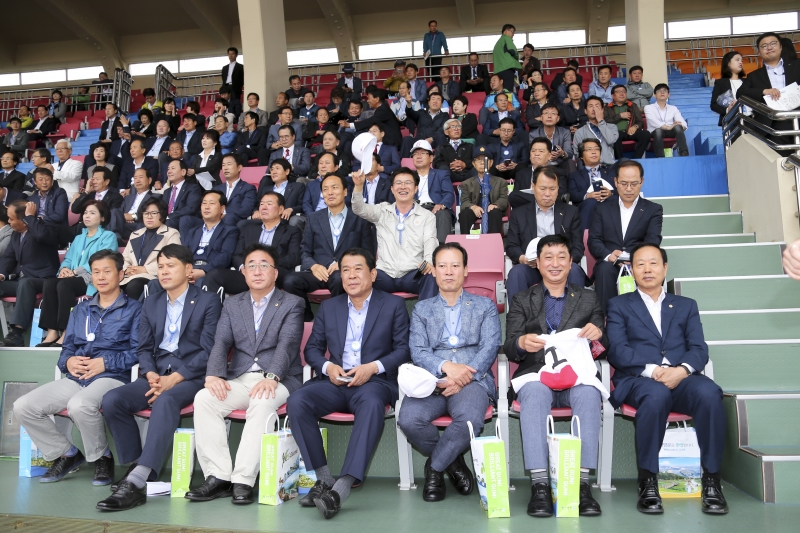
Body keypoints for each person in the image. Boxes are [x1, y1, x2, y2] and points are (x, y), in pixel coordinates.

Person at [286, 247, 411, 519]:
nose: (351, 275)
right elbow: (313, 350)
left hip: (374, 382)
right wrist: (328, 366)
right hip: (335, 381)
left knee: (371, 403)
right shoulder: (329, 306)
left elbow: (403, 350)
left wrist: (372, 367)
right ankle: (323, 479)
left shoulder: (393, 305)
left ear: (373, 274)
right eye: (345, 270)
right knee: (298, 400)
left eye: (358, 269)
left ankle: (341, 488)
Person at [97, 245, 222, 511]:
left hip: (191, 376)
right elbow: (143, 347)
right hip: (156, 373)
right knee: (113, 400)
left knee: (166, 402)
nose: (164, 271)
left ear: (189, 270)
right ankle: (138, 466)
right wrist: (152, 373)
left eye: (171, 265)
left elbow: (209, 350)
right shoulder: (151, 301)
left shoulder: (208, 301)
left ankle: (136, 483)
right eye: (161, 266)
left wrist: (173, 379)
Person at [607, 243, 729, 515]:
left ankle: (712, 480)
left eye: (653, 263)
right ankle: (648, 480)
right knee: (656, 395)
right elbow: (617, 349)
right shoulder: (618, 305)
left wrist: (682, 370)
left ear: (665, 268)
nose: (647, 269)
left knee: (709, 394)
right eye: (640, 264)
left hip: (682, 377)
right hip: (639, 378)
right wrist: (653, 371)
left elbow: (699, 348)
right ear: (632, 270)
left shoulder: (686, 305)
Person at [187, 242, 304, 504]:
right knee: (204, 399)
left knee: (262, 403)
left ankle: (243, 480)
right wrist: (214, 374)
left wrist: (272, 377)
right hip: (240, 377)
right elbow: (221, 342)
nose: (258, 270)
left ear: (276, 273)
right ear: (243, 272)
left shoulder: (292, 303)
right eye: (251, 265)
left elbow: (288, 344)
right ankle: (218, 476)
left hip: (281, 378)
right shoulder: (232, 304)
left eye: (265, 265)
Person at [13, 250, 141, 486]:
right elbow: (67, 349)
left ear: (121, 274)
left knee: (80, 404)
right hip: (78, 376)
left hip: (112, 376)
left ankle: (102, 456)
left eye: (107, 271)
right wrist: (68, 362)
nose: (101, 277)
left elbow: (138, 352)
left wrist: (105, 363)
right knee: (23, 406)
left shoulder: (134, 310)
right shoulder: (81, 310)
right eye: (96, 272)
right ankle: (67, 454)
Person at [504, 233, 605, 517]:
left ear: (571, 262)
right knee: (534, 394)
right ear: (537, 263)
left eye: (562, 257)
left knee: (589, 393)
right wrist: (522, 343)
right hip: (536, 372)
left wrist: (597, 334)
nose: (555, 263)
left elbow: (600, 339)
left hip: (577, 373)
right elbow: (510, 345)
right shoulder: (523, 299)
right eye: (548, 257)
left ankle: (581, 486)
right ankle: (539, 485)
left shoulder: (588, 297)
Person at [399, 242, 499, 502]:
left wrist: (464, 376)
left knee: (469, 420)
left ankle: (434, 469)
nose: (449, 271)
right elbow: (418, 350)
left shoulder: (484, 305)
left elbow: (489, 347)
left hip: (472, 381)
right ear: (434, 271)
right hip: (432, 379)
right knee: (409, 419)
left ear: (466, 270)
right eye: (442, 266)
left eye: (455, 265)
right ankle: (453, 463)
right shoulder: (422, 308)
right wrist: (445, 368)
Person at [284, 173, 374, 321]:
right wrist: (313, 266)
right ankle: (307, 320)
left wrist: (344, 265)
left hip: (344, 272)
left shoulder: (359, 218)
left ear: (345, 191)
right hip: (318, 271)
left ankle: (339, 319)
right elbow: (305, 249)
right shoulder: (313, 218)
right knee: (289, 281)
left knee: (339, 279)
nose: (330, 192)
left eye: (334, 187)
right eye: (325, 189)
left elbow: (368, 252)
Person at [37, 201, 118, 347]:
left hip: (92, 277)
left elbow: (102, 260)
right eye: (86, 212)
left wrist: (74, 271)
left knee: (64, 285)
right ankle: (52, 332)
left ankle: (67, 332)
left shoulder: (108, 236)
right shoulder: (79, 238)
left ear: (102, 218)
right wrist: (64, 270)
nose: (87, 216)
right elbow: (67, 259)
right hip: (72, 277)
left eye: (92, 213)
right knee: (49, 283)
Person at [351, 167, 438, 300]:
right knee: (363, 276)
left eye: (408, 183)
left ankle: (423, 318)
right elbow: (359, 209)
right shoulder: (382, 211)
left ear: (415, 189)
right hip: (384, 274)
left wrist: (428, 262)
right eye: (398, 183)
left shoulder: (427, 216)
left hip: (412, 273)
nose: (403, 187)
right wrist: (358, 186)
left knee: (431, 276)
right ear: (392, 189)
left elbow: (430, 240)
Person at [588, 160, 663, 312]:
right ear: (615, 182)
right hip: (609, 263)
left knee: (644, 269)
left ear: (642, 181)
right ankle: (605, 322)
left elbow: (653, 240)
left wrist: (635, 258)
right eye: (623, 183)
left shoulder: (653, 209)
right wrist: (609, 255)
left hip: (638, 263)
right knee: (604, 270)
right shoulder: (602, 208)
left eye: (634, 184)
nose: (629, 189)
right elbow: (594, 239)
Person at [505, 167, 585, 302]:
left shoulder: (571, 212)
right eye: (543, 188)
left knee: (575, 270)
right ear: (533, 186)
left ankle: (575, 319)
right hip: (532, 267)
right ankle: (518, 321)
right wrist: (523, 259)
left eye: (552, 189)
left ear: (558, 189)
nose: (547, 193)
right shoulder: (519, 213)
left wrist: (563, 260)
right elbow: (512, 246)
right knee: (516, 273)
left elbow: (577, 247)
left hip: (561, 266)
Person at [203, 192, 302, 295]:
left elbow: (293, 258)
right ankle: (212, 311)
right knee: (214, 275)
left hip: (274, 272)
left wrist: (265, 265)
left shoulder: (292, 231)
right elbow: (237, 255)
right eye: (262, 204)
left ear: (281, 209)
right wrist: (243, 267)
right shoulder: (248, 229)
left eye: (269, 204)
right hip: (248, 273)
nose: (264, 207)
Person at [0, 200, 60, 347]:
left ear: (24, 219)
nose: (8, 222)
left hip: (43, 280)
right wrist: (1, 274)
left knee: (25, 283)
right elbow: (8, 258)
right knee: (22, 283)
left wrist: (31, 217)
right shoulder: (15, 235)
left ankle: (17, 333)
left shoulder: (44, 228)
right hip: (22, 281)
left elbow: (42, 236)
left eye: (11, 219)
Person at [739, 32, 800, 136]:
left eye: (773, 44)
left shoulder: (797, 66)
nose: (769, 48)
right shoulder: (754, 76)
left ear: (781, 47)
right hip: (771, 125)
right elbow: (740, 93)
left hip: (797, 117)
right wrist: (764, 91)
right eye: (764, 46)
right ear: (759, 52)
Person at [121, 197, 180, 300]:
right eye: (146, 213)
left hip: (153, 277)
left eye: (153, 213)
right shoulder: (135, 234)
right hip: (130, 276)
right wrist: (127, 269)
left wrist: (145, 269)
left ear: (161, 214)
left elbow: (172, 260)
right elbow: (125, 258)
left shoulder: (171, 233)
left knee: (134, 286)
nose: (149, 217)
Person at [181, 190, 239, 288]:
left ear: (222, 209)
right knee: (157, 283)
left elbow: (225, 257)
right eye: (204, 203)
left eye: (212, 203)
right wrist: (187, 271)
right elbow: (183, 254)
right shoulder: (193, 231)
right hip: (191, 270)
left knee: (202, 281)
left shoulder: (230, 231)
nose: (207, 207)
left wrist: (204, 271)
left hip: (210, 272)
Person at [409, 140, 455, 244]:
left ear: (431, 157)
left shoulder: (441, 174)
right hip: (416, 209)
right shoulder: (408, 176)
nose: (418, 156)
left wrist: (441, 204)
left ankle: (441, 250)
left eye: (422, 153)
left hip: (435, 208)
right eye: (415, 154)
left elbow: (449, 194)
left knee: (443, 214)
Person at [568, 139, 617, 230]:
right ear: (581, 156)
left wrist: (611, 193)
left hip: (608, 205)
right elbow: (572, 194)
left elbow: (620, 190)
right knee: (591, 202)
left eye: (597, 149)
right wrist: (587, 196)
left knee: (614, 199)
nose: (594, 152)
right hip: (586, 207)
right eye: (589, 149)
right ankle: (583, 238)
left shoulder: (611, 173)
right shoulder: (574, 176)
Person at [458, 147, 508, 235]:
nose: (482, 162)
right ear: (473, 163)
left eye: (485, 160)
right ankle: (466, 244)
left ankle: (493, 243)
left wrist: (495, 205)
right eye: (478, 160)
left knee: (495, 212)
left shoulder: (501, 182)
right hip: (475, 210)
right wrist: (473, 207)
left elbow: (504, 200)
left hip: (492, 211)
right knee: (465, 213)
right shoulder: (466, 183)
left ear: (491, 162)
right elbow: (464, 202)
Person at [508, 138, 565, 208]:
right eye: (533, 151)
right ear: (530, 155)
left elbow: (561, 194)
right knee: (513, 196)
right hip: (527, 211)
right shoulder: (521, 174)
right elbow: (516, 197)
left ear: (549, 156)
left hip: (550, 208)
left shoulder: (558, 172)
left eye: (541, 151)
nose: (536, 154)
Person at [256, 159, 306, 228]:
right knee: (243, 223)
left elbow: (303, 205)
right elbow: (257, 204)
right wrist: (256, 211)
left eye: (277, 168)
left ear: (287, 171)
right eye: (272, 169)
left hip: (286, 219)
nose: (274, 172)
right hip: (267, 218)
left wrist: (291, 209)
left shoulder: (298, 187)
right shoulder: (266, 189)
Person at [644, 84, 689, 157]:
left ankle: (684, 153)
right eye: (659, 91)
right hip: (654, 131)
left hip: (670, 131)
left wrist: (680, 125)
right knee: (658, 130)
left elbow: (683, 122)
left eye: (665, 90)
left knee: (678, 127)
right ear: (655, 95)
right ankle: (660, 156)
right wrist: (668, 127)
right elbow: (653, 121)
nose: (662, 92)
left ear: (668, 95)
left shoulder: (673, 108)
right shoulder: (648, 107)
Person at [211, 153, 256, 227]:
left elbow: (245, 210)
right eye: (223, 165)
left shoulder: (248, 188)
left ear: (239, 167)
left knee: (229, 218)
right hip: (216, 220)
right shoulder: (216, 189)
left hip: (234, 222)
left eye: (229, 164)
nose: (225, 168)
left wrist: (225, 215)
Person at [605, 86, 649, 159]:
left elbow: (640, 121)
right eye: (618, 91)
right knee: (615, 136)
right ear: (612, 95)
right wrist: (619, 116)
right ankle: (620, 161)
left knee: (646, 134)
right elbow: (606, 121)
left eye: (624, 92)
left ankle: (636, 159)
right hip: (616, 132)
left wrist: (635, 127)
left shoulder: (632, 105)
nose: (622, 93)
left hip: (630, 131)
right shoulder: (607, 107)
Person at [573, 96, 619, 166]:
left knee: (625, 162)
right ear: (585, 111)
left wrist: (600, 121)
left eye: (597, 106)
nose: (594, 109)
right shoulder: (580, 132)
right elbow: (578, 153)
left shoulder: (612, 127)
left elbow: (611, 140)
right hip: (590, 167)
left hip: (609, 166)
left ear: (602, 110)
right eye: (591, 106)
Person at [162, 159, 203, 232]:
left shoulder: (193, 188)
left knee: (168, 223)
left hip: (183, 221)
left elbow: (190, 208)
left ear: (183, 172)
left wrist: (169, 216)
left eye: (173, 168)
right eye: (168, 169)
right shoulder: (166, 192)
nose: (169, 171)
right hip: (167, 220)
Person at [528, 104, 573, 169]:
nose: (549, 116)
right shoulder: (534, 134)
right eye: (546, 113)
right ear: (541, 117)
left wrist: (562, 153)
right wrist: (547, 156)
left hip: (559, 165)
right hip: (541, 165)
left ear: (558, 118)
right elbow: (533, 154)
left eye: (553, 113)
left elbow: (569, 153)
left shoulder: (565, 132)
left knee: (570, 162)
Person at [710, 51, 746, 127]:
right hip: (731, 121)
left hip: (750, 120)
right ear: (728, 63)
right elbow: (713, 105)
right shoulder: (720, 83)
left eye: (741, 60)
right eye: (737, 60)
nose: (740, 62)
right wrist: (727, 110)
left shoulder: (747, 81)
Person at [433, 119, 475, 183]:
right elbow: (436, 163)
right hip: (450, 175)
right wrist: (450, 165)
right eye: (452, 127)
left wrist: (465, 164)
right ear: (446, 132)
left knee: (479, 167)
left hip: (468, 174)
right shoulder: (441, 147)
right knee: (443, 168)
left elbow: (476, 160)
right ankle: (447, 192)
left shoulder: (470, 146)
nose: (456, 129)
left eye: (458, 126)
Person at [486, 117, 527, 182]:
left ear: (513, 131)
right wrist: (497, 167)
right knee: (489, 168)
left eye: (509, 130)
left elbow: (525, 161)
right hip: (498, 172)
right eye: (503, 130)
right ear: (499, 130)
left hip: (514, 171)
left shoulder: (521, 145)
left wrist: (516, 165)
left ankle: (520, 190)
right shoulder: (491, 146)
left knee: (522, 167)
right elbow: (487, 161)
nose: (506, 133)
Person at [493, 24, 519, 94]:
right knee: (508, 91)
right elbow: (513, 51)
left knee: (500, 91)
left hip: (498, 70)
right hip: (507, 68)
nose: (513, 34)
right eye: (512, 31)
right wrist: (516, 57)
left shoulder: (497, 44)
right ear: (506, 31)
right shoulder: (507, 38)